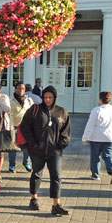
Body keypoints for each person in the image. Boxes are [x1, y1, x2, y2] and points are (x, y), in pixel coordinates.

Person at [19, 86, 72, 215]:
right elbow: (25, 126)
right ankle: (33, 199)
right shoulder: (35, 110)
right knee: (36, 174)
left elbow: (66, 131)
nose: (47, 100)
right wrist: (33, 143)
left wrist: (61, 144)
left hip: (55, 151)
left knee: (56, 176)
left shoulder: (62, 112)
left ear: (55, 98)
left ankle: (56, 204)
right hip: (37, 150)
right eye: (45, 97)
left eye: (50, 97)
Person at [82, 92, 112, 184]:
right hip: (111, 137)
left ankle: (95, 175)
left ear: (100, 99)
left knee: (95, 156)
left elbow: (90, 125)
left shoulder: (96, 110)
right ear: (110, 100)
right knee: (108, 155)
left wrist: (85, 137)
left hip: (96, 137)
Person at [8, 82, 34, 173]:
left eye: (23, 88)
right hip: (14, 126)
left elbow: (32, 113)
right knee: (13, 147)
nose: (21, 90)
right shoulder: (10, 100)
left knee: (27, 146)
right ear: (15, 89)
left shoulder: (29, 101)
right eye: (19, 88)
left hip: (26, 127)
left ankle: (26, 162)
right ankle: (12, 165)